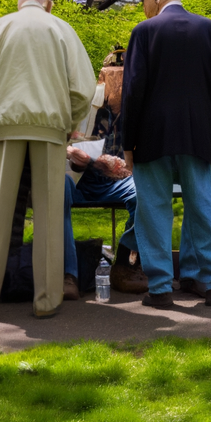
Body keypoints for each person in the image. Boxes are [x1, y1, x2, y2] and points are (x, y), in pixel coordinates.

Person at [0, 0, 97, 318]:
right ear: (47, 3)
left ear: (20, 1)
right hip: (51, 129)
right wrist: (68, 122)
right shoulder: (62, 28)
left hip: (5, 127)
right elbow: (82, 88)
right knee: (50, 215)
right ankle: (47, 300)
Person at [122, 0, 211, 309]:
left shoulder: (144, 32)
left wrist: (127, 143)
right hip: (198, 136)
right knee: (203, 207)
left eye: (143, 0)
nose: (143, 7)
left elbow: (133, 92)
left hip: (151, 136)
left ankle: (160, 289)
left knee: (153, 211)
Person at [68, 46, 147, 295]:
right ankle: (65, 269)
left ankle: (123, 261)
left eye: (125, 76)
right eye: (114, 76)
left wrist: (133, 165)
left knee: (145, 193)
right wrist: (93, 161)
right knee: (57, 191)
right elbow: (67, 145)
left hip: (121, 179)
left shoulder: (140, 107)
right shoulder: (83, 106)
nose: (120, 83)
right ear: (102, 77)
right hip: (79, 178)